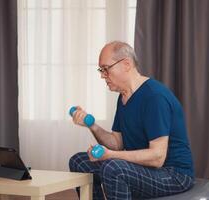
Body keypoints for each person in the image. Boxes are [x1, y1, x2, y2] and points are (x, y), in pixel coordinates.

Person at [69, 41, 195, 200]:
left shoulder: (154, 97)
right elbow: (116, 143)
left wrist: (110, 155)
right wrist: (91, 125)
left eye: (106, 69)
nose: (102, 75)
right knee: (79, 161)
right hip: (144, 168)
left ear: (126, 64)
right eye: (101, 70)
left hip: (173, 174)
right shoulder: (124, 97)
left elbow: (157, 157)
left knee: (113, 167)